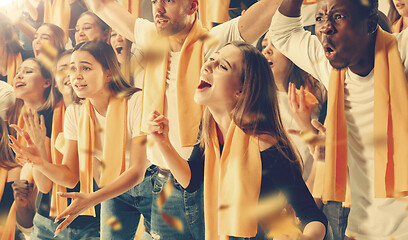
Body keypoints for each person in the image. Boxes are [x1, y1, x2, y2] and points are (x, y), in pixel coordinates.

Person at [88, 0, 283, 238]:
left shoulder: (216, 40)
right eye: (154, 1)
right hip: (164, 180)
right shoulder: (151, 36)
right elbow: (101, 6)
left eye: (168, 1)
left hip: (208, 180)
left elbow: (268, 9)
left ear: (192, 6)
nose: (157, 7)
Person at [147, 41, 327, 240]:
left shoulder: (266, 145)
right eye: (211, 59)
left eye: (222, 66)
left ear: (241, 91)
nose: (207, 66)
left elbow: (312, 217)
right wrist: (163, 143)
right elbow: (193, 180)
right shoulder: (209, 129)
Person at [270, 0, 408, 239]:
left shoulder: (402, 53)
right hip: (361, 229)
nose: (325, 28)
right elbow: (282, 32)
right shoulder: (328, 66)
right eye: (320, 18)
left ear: (371, 23)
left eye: (338, 17)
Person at [10, 41, 155, 240]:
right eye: (73, 69)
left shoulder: (136, 100)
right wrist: (40, 163)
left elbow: (137, 171)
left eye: (85, 68)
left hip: (151, 181)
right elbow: (70, 176)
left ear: (108, 73)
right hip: (113, 187)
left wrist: (92, 199)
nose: (76, 76)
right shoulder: (75, 112)